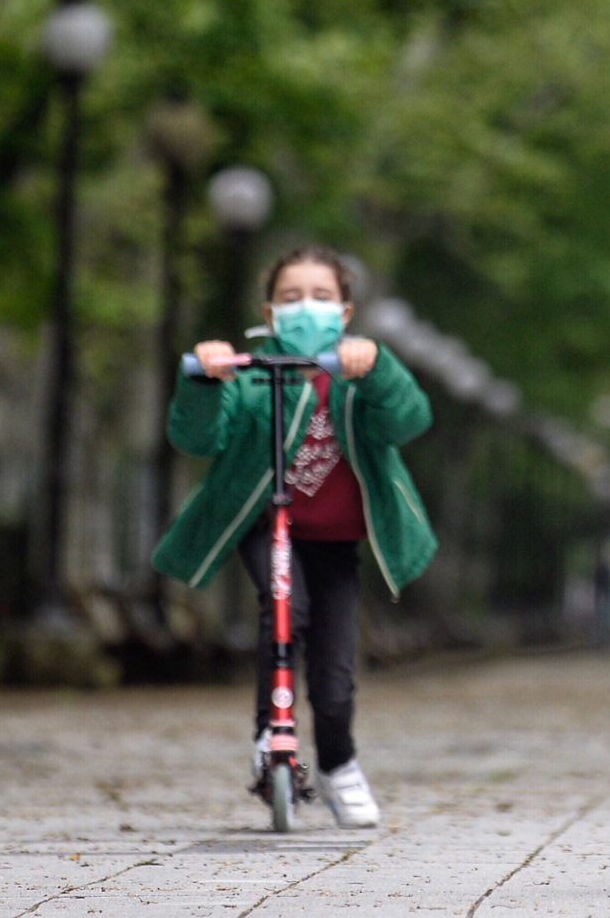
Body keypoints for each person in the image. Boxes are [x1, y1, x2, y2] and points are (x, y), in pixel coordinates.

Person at [152, 246, 437, 829]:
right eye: (291, 297)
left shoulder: (356, 378)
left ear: (345, 311)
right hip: (269, 525)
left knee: (335, 672)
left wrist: (378, 367)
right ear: (270, 312)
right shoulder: (252, 376)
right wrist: (205, 378)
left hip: (336, 542)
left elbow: (408, 419)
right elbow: (198, 439)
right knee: (285, 609)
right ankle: (271, 735)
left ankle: (338, 762)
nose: (306, 307)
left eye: (321, 296)